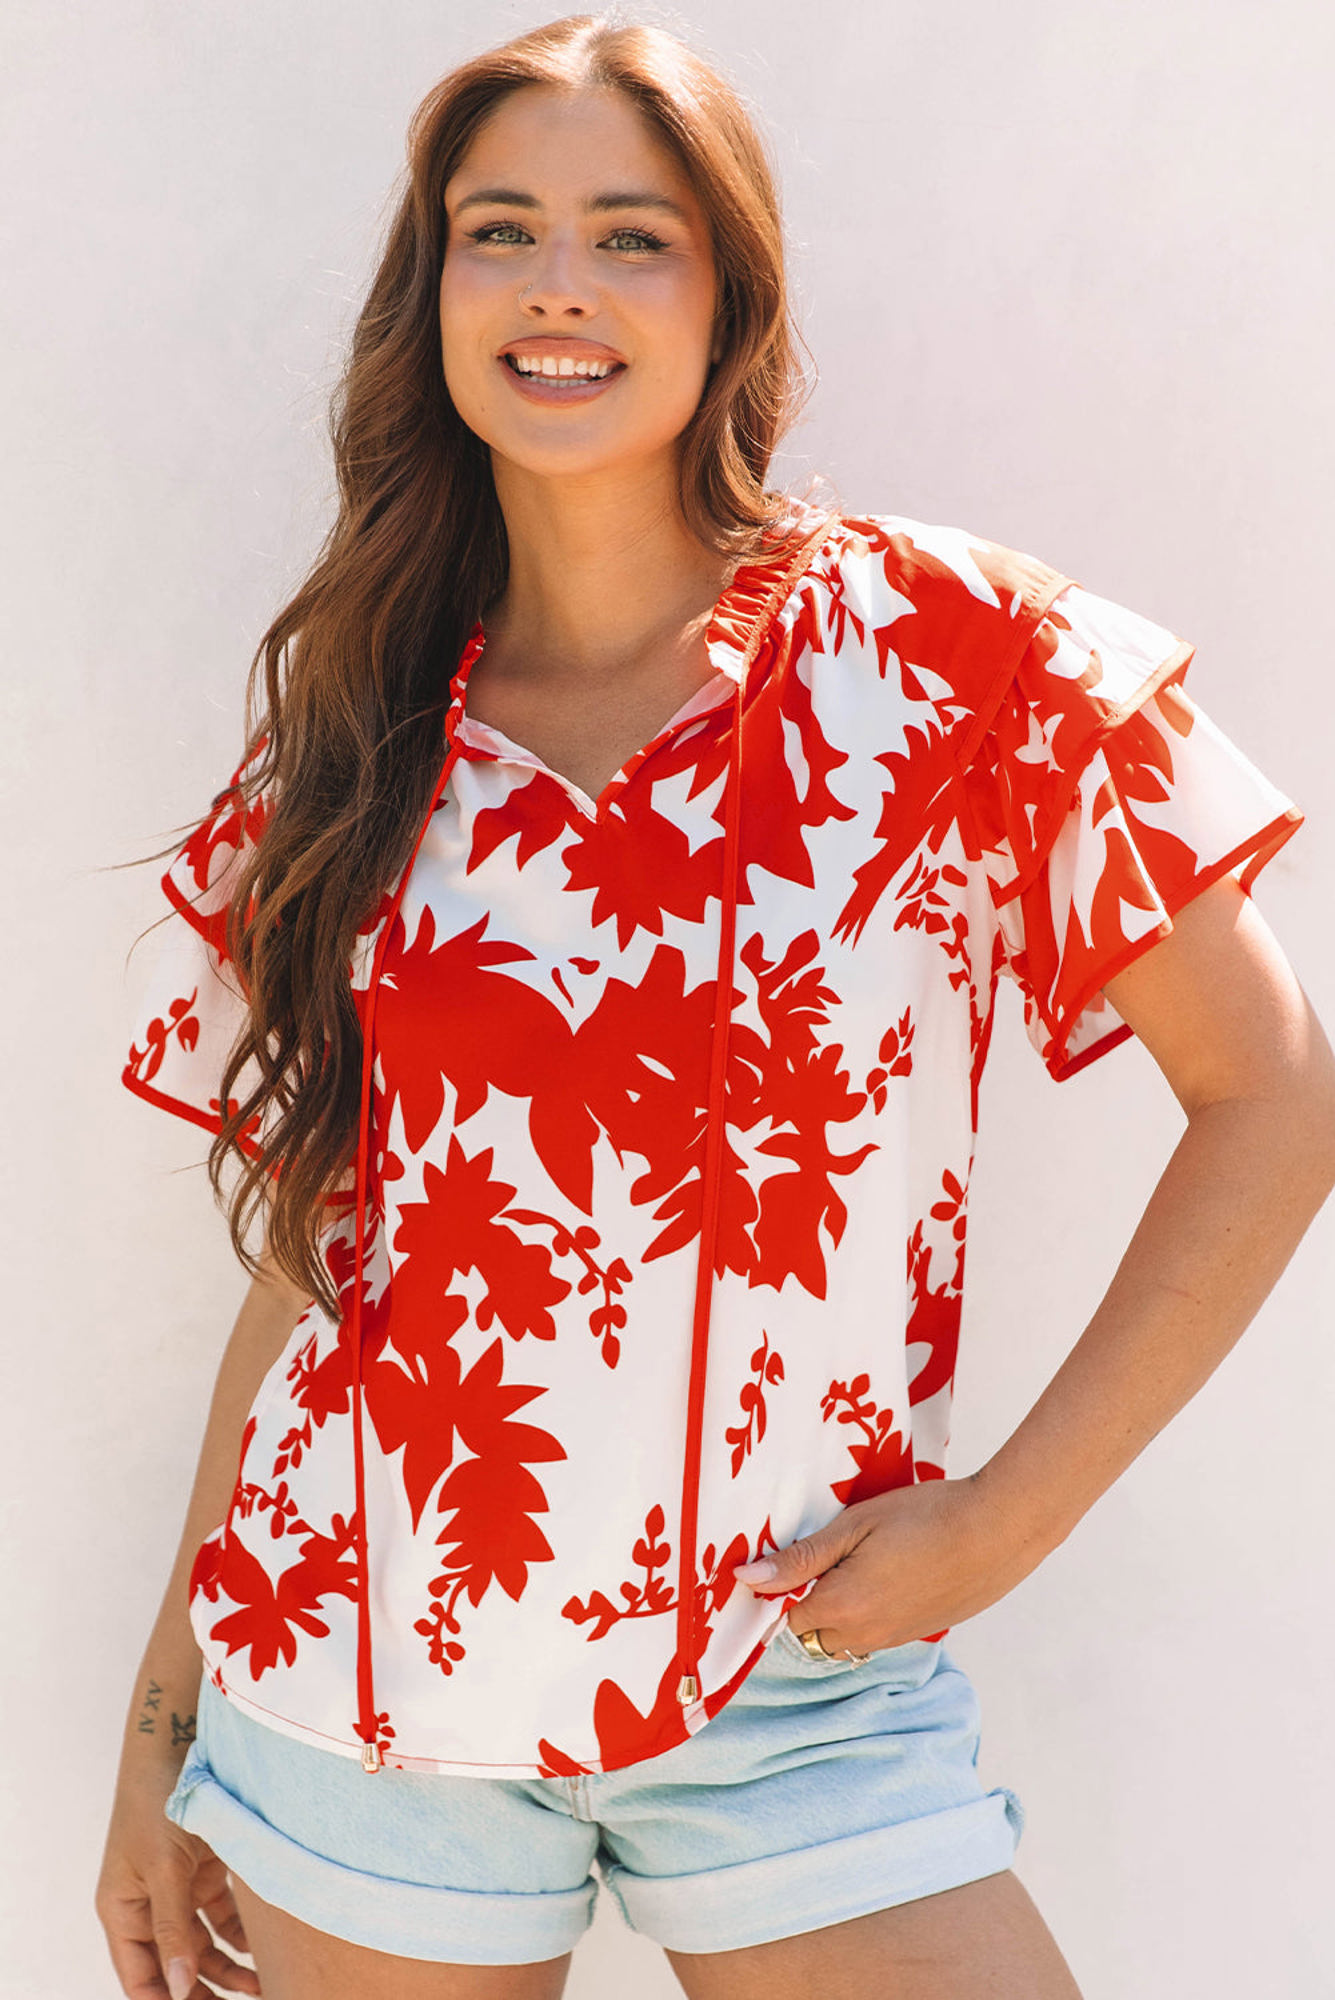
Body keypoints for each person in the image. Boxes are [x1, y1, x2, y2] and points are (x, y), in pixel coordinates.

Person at [94, 14, 1335, 2000]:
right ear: (434, 294)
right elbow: (324, 1247)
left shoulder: (947, 662)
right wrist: (164, 1722)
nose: (557, 284)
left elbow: (1274, 1094)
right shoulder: (358, 733)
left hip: (801, 1678)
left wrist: (1010, 1519)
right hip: (357, 1685)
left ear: (728, 296)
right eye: (499, 231)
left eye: (631, 235)